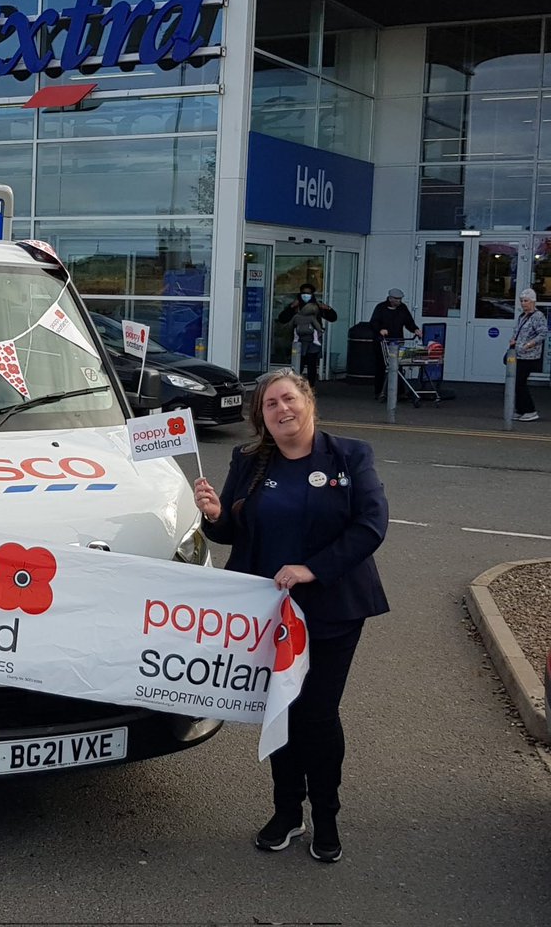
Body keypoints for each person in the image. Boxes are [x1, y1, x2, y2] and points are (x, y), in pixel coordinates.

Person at [192, 369, 388, 864]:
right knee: (279, 708)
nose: (281, 410)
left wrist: (311, 569)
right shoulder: (249, 460)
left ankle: (326, 816)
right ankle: (286, 813)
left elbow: (370, 526)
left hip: (333, 610)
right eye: (269, 405)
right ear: (262, 417)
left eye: (288, 398)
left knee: (316, 714)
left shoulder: (351, 456)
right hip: (270, 611)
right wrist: (215, 515)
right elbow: (232, 532)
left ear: (308, 401)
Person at [277, 284, 337, 387]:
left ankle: (311, 386)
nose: (305, 295)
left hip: (312, 340)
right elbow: (282, 318)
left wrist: (327, 308)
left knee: (311, 363)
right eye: (303, 293)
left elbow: (332, 317)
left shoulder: (316, 306)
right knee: (297, 363)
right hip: (298, 339)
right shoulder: (296, 306)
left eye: (308, 293)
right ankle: (294, 385)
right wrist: (291, 307)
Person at [368, 288, 420, 401]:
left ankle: (400, 392)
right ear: (390, 298)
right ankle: (379, 391)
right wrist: (380, 330)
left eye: (400, 299)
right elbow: (374, 322)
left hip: (397, 340)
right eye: (396, 299)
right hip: (382, 342)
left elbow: (408, 321)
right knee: (381, 366)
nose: (399, 301)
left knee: (399, 366)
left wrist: (415, 329)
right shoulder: (380, 308)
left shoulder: (402, 308)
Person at [508, 288, 547, 422]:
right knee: (516, 383)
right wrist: (514, 341)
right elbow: (518, 331)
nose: (523, 303)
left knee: (519, 382)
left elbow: (542, 333)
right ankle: (521, 410)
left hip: (529, 356)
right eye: (522, 301)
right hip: (519, 354)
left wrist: (530, 343)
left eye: (526, 301)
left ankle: (530, 410)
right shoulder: (522, 316)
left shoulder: (538, 316)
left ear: (533, 301)